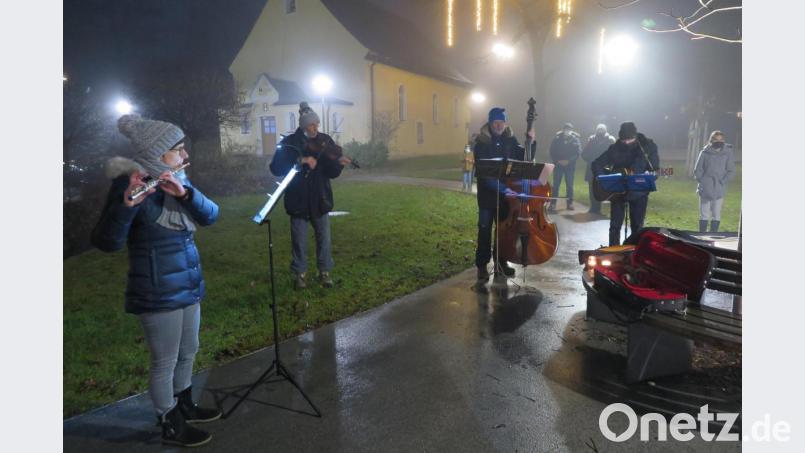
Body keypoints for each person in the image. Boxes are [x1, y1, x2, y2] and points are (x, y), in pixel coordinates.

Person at [91, 115, 221, 448]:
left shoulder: (178, 179)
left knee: (188, 350)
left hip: (188, 282)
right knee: (164, 360)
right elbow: (107, 241)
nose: (184, 156)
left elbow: (211, 215)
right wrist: (126, 207)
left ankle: (185, 403)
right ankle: (169, 420)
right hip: (156, 288)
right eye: (178, 150)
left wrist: (186, 195)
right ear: (158, 152)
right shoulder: (129, 184)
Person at [270, 102, 344, 289]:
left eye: (317, 124)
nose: (316, 128)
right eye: (312, 125)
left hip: (320, 197)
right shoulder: (289, 143)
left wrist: (339, 164)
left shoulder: (325, 141)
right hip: (298, 198)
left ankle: (324, 271)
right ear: (303, 125)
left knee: (324, 238)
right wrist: (301, 160)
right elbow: (276, 167)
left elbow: (331, 172)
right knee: (299, 240)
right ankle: (300, 273)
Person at [473, 107, 534, 282]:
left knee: (503, 231)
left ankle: (501, 263)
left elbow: (525, 158)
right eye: (496, 122)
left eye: (502, 122)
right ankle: (482, 265)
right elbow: (485, 174)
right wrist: (504, 189)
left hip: (505, 197)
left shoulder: (510, 140)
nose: (499, 126)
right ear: (490, 123)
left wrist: (531, 142)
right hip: (488, 195)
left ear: (505, 123)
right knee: (484, 230)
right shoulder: (482, 143)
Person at [592, 121, 660, 246]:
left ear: (635, 136)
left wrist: (651, 176)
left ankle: (634, 253)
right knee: (614, 226)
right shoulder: (615, 148)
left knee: (637, 227)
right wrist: (601, 178)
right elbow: (596, 163)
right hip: (617, 192)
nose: (627, 142)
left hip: (639, 192)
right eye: (624, 140)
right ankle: (614, 252)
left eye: (630, 139)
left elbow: (655, 169)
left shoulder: (648, 147)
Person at [694, 130, 736, 232]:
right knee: (704, 214)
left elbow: (731, 170)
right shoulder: (704, 152)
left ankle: (713, 235)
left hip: (719, 186)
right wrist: (703, 181)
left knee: (716, 214)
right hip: (706, 186)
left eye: (721, 139)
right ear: (711, 140)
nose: (719, 141)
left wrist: (723, 181)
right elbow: (698, 169)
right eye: (716, 139)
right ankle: (702, 236)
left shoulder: (727, 153)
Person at [581, 123, 615, 214]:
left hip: (605, 169)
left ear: (605, 130)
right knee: (592, 190)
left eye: (602, 129)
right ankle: (594, 208)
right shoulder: (592, 140)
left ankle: (611, 210)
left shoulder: (610, 140)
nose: (600, 131)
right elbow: (584, 154)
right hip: (592, 169)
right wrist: (591, 160)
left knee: (606, 189)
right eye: (599, 129)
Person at [548, 122, 582, 211]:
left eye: (569, 129)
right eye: (566, 129)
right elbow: (552, 151)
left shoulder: (575, 139)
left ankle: (570, 203)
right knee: (556, 185)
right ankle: (553, 204)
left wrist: (569, 161)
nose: (567, 131)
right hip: (558, 165)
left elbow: (578, 153)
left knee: (569, 185)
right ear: (563, 129)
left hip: (570, 166)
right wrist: (557, 161)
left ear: (571, 130)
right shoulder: (557, 138)